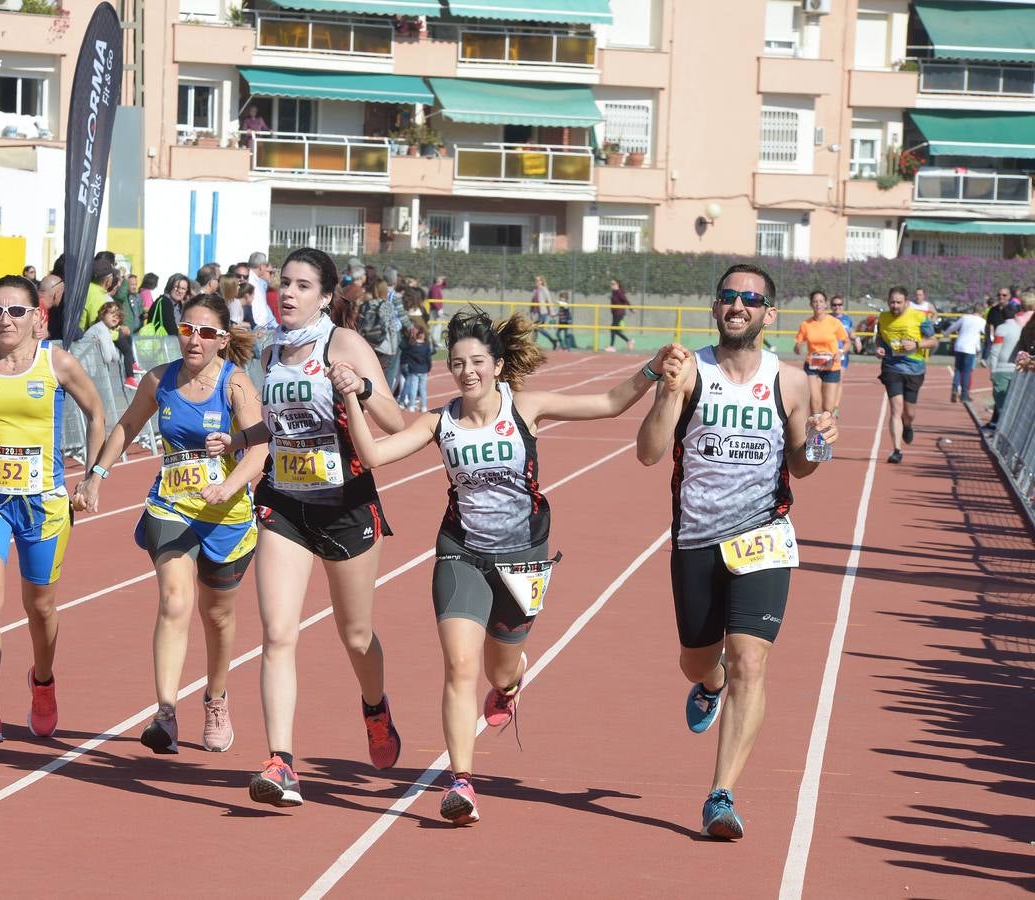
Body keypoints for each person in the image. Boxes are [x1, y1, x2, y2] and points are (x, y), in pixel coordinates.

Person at [343, 307, 687, 825]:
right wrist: (352, 393)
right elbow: (371, 454)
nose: (467, 372)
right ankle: (461, 780)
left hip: (523, 558)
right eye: (457, 363)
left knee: (497, 668)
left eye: (477, 361)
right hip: (461, 553)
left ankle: (508, 682)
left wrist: (652, 369)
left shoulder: (526, 407)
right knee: (459, 665)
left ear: (498, 365)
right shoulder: (440, 422)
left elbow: (611, 404)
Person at [636, 263, 839, 840]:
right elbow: (649, 454)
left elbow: (801, 464)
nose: (737, 305)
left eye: (750, 299)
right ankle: (709, 683)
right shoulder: (689, 371)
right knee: (698, 659)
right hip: (696, 538)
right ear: (716, 306)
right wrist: (666, 396)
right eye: (728, 296)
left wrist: (822, 440)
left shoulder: (791, 381)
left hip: (764, 536)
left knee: (752, 660)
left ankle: (720, 795)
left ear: (768, 314)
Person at [204, 247, 406, 808]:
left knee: (355, 635)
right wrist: (241, 440)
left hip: (345, 504)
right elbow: (279, 423)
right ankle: (281, 761)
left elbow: (396, 422)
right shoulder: (274, 349)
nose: (287, 294)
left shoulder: (342, 344)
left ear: (325, 294)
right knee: (277, 632)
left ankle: (374, 708)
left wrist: (359, 389)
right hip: (285, 502)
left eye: (301, 286)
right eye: (283, 284)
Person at [74, 293, 266, 753]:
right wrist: (97, 475)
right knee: (175, 600)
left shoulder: (236, 384)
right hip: (172, 505)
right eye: (186, 329)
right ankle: (164, 713)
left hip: (227, 514)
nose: (193, 339)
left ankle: (216, 698)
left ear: (221, 339)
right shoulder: (159, 379)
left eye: (204, 332)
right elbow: (125, 425)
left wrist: (229, 486)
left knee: (217, 615)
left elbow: (259, 448)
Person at [0, 275, 106, 745]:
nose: (5, 319)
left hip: (44, 503)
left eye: (16, 311)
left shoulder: (59, 364)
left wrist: (92, 477)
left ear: (38, 317)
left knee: (40, 606)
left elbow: (97, 413)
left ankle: (43, 681)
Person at [874, 286, 937, 464]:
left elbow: (933, 341)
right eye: (892, 302)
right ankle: (896, 450)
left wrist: (916, 345)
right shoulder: (883, 317)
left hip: (914, 369)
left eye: (898, 302)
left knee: (909, 413)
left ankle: (907, 425)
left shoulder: (919, 317)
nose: (895, 305)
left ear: (907, 302)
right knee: (896, 408)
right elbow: (880, 337)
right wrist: (878, 348)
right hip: (891, 367)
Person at [793, 290, 850, 417]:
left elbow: (847, 342)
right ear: (811, 304)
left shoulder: (834, 322)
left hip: (831, 366)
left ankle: (826, 434)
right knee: (814, 405)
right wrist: (798, 346)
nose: (818, 304)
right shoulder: (805, 325)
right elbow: (797, 348)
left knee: (828, 408)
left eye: (821, 301)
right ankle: (816, 436)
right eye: (815, 301)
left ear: (825, 305)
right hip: (812, 367)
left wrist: (840, 353)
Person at [985, 304, 1021, 430]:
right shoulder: (1021, 328)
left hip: (1001, 369)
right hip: (1018, 370)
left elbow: (995, 351)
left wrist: (993, 371)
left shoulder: (1001, 328)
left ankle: (1002, 430)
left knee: (1001, 403)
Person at [943, 304, 986, 403]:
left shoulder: (965, 317)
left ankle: (954, 389)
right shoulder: (982, 321)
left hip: (959, 346)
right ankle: (964, 394)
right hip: (970, 349)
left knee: (958, 369)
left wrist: (945, 333)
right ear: (982, 312)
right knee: (966, 371)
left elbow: (953, 327)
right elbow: (987, 334)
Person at [398, 323, 433, 411]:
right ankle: (424, 406)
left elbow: (404, 350)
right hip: (423, 370)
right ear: (423, 335)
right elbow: (428, 358)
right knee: (422, 389)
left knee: (413, 388)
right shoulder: (426, 346)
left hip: (413, 370)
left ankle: (411, 406)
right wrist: (428, 368)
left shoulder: (412, 346)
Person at [81, 300, 123, 367]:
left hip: (88, 365)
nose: (115, 317)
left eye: (118, 316)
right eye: (112, 313)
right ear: (103, 314)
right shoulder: (100, 329)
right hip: (83, 363)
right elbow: (107, 358)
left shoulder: (106, 330)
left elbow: (115, 357)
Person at [827, 295, 860, 376]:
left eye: (839, 304)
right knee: (826, 380)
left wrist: (856, 339)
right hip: (829, 352)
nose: (837, 307)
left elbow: (850, 333)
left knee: (838, 380)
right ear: (831, 306)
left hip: (842, 353)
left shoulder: (847, 319)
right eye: (834, 305)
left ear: (842, 306)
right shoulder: (826, 318)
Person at [607, 279, 634, 351]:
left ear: (617, 284)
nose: (611, 285)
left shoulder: (619, 292)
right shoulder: (614, 292)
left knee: (613, 329)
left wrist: (631, 308)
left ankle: (612, 346)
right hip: (615, 313)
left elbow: (625, 300)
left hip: (619, 313)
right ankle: (629, 341)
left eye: (613, 284)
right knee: (615, 330)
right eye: (611, 284)